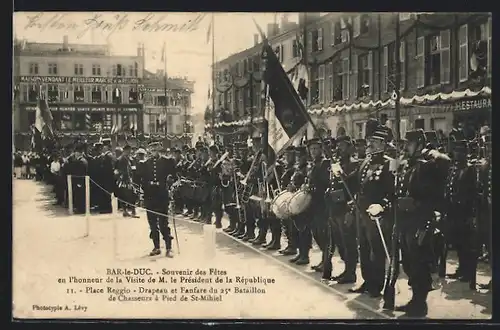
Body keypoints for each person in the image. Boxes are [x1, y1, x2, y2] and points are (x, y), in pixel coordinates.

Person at [392, 129, 451, 317]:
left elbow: (435, 190)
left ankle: (420, 303)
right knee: (409, 263)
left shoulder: (428, 164)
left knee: (418, 263)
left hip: (420, 219)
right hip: (406, 220)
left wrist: (430, 152)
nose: (405, 147)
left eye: (409, 143)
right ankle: (415, 299)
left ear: (418, 144)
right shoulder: (410, 164)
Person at [342, 124, 394, 298]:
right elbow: (354, 183)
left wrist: (383, 206)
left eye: (373, 141)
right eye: (369, 141)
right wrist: (339, 174)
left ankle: (377, 285)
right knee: (363, 248)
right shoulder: (365, 162)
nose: (369, 144)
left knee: (376, 250)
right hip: (362, 214)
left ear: (382, 143)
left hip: (377, 216)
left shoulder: (389, 164)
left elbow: (393, 192)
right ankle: (367, 280)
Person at [443, 138, 478, 289]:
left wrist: (471, 213)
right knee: (457, 241)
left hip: (464, 211)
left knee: (465, 243)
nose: (457, 154)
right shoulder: (454, 168)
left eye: (461, 151)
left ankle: (468, 271)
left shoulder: (470, 169)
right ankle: (461, 268)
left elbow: (472, 192)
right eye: (456, 151)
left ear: (466, 153)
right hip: (453, 210)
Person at [138, 142, 177, 257]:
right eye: (152, 149)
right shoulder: (145, 164)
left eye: (156, 149)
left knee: (163, 223)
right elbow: (141, 179)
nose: (154, 151)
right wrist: (145, 187)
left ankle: (169, 247)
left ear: (159, 149)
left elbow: (174, 176)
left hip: (162, 196)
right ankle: (156, 247)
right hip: (150, 196)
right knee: (152, 224)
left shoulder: (167, 161)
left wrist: (170, 182)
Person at [289, 145, 310, 265]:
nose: (298, 158)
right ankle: (300, 253)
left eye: (300, 156)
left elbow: (306, 184)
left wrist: (296, 187)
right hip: (296, 201)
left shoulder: (307, 168)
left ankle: (305, 255)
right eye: (297, 155)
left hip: (303, 202)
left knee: (304, 230)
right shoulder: (298, 168)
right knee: (297, 229)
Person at [278, 146, 298, 256]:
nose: (288, 157)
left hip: (291, 199)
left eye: (290, 155)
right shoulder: (286, 167)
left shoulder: (294, 168)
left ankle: (293, 246)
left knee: (291, 225)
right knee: (285, 223)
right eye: (286, 155)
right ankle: (290, 245)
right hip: (285, 198)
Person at [116, 145, 139, 218]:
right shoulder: (120, 159)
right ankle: (125, 211)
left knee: (132, 195)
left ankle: (132, 211)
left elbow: (133, 168)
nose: (129, 152)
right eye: (128, 150)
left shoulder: (131, 159)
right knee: (124, 195)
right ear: (125, 150)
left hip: (130, 179)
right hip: (123, 180)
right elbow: (116, 170)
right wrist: (120, 177)